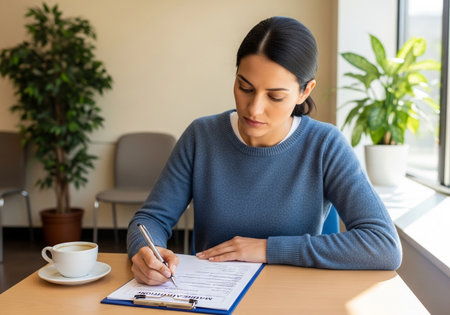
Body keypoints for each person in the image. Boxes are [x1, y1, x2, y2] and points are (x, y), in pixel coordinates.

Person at [127, 16, 402, 286]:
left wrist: (267, 250)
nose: (254, 108)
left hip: (294, 297)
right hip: (211, 293)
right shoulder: (202, 136)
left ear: (305, 91)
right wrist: (144, 252)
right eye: (245, 88)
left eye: (275, 96)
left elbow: (383, 244)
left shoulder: (325, 144)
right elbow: (150, 219)